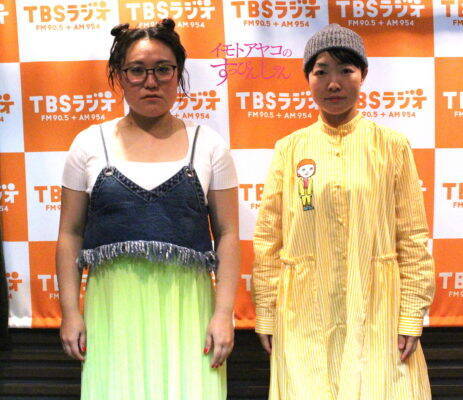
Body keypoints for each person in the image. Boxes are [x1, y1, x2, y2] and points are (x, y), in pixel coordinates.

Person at [56, 18, 240, 400]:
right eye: (137, 70)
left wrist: (224, 314)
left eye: (163, 69)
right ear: (119, 76)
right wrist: (70, 312)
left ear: (178, 74)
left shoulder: (209, 146)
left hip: (189, 307)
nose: (151, 82)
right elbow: (70, 233)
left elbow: (227, 234)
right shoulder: (88, 144)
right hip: (112, 307)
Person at [252, 24, 435, 400]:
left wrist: (410, 314)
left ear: (362, 75)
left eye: (346, 70)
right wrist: (266, 312)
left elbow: (413, 237)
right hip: (304, 309)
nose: (333, 83)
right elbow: (269, 237)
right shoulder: (290, 149)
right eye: (321, 72)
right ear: (308, 78)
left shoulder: (391, 147)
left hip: (377, 308)